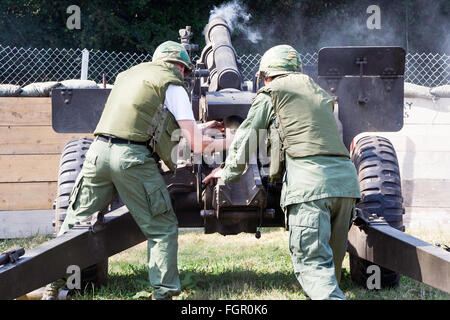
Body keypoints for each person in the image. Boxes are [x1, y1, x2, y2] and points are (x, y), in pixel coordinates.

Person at [43, 40, 231, 300]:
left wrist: (205, 126)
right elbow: (197, 145)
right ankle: (163, 294)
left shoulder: (128, 76)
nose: (185, 75)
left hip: (98, 154)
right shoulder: (172, 84)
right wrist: (233, 141)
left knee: (74, 225)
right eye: (185, 71)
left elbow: (148, 121)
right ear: (179, 67)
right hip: (131, 159)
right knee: (162, 227)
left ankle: (51, 287)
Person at [204, 45, 361, 300]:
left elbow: (247, 136)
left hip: (309, 185)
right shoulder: (320, 95)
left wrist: (228, 171)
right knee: (330, 265)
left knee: (312, 265)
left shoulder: (271, 93)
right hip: (345, 183)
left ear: (267, 75)